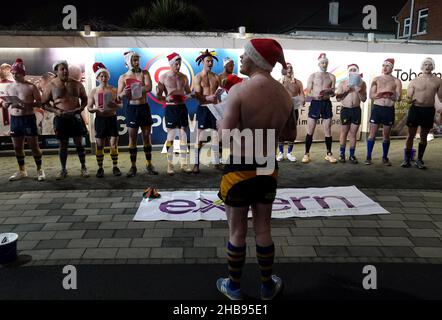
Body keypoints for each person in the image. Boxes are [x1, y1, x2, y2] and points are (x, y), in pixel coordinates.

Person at [216, 38, 294, 300]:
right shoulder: (285, 95)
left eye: (245, 54)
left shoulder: (239, 91)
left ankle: (234, 287)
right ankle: (267, 286)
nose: (240, 58)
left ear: (256, 60)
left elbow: (224, 137)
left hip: (240, 167)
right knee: (263, 228)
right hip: (267, 165)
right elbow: (290, 133)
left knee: (237, 230)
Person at [41, 60, 89, 179]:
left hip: (75, 117)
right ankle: (63, 170)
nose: (65, 71)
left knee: (79, 143)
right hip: (61, 118)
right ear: (56, 71)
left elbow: (85, 99)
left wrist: (80, 108)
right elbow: (44, 104)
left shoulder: (77, 84)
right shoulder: (51, 86)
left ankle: (83, 167)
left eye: (66, 68)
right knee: (63, 145)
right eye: (62, 69)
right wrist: (56, 111)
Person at [2, 58, 45, 181]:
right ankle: (22, 171)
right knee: (17, 147)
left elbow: (40, 103)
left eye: (17, 73)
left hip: (28, 118)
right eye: (13, 73)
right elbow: (5, 104)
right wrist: (7, 104)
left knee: (34, 146)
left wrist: (26, 105)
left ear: (23, 73)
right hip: (15, 120)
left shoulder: (31, 87)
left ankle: (39, 170)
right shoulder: (9, 87)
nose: (15, 75)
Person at [117, 51, 158, 177]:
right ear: (128, 62)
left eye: (137, 60)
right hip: (132, 108)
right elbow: (119, 96)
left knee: (146, 136)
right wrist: (124, 92)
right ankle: (133, 166)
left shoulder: (144, 73)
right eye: (134, 60)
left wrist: (134, 88)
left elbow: (149, 87)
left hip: (143, 107)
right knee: (132, 137)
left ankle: (149, 164)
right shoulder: (123, 77)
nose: (136, 62)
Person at [401, 57, 442, 169]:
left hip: (428, 110)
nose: (427, 66)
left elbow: (441, 98)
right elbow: (409, 97)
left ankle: (419, 160)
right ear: (422, 66)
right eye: (425, 64)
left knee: (423, 137)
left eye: (429, 64)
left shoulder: (438, 81)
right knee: (410, 136)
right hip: (416, 109)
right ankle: (407, 159)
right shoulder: (414, 81)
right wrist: (408, 99)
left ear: (433, 67)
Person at [157, 52, 193, 175]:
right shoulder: (163, 77)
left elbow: (189, 93)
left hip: (182, 107)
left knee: (183, 136)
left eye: (179, 64)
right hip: (171, 108)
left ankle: (184, 164)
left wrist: (188, 96)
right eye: (176, 64)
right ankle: (170, 165)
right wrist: (166, 99)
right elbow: (159, 95)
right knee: (171, 136)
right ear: (171, 64)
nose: (178, 66)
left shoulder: (184, 77)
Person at [87, 62, 122, 177]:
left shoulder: (113, 89)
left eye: (105, 75)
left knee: (113, 145)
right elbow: (89, 108)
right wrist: (96, 109)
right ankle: (100, 168)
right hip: (100, 120)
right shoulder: (94, 91)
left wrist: (114, 105)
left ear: (108, 77)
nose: (103, 78)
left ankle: (115, 167)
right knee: (100, 145)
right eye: (101, 76)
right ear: (97, 78)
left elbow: (121, 105)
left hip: (112, 118)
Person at [366, 58, 402, 166]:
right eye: (383, 65)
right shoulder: (376, 79)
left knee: (386, 135)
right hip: (377, 108)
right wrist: (379, 95)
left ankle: (385, 157)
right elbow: (371, 95)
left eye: (387, 66)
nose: (385, 68)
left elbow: (399, 98)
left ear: (392, 67)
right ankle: (368, 157)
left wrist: (392, 95)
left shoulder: (396, 81)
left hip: (388, 109)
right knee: (372, 134)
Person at [303, 53, 337, 164]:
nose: (324, 64)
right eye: (322, 62)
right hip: (316, 103)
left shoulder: (332, 77)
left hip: (326, 103)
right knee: (310, 130)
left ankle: (329, 154)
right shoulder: (313, 76)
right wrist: (314, 96)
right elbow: (308, 92)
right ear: (319, 63)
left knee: (328, 130)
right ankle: (306, 154)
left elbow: (333, 93)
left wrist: (330, 92)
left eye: (326, 63)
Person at [193, 49, 221, 173]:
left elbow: (219, 95)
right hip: (203, 108)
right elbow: (197, 94)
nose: (210, 63)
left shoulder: (216, 77)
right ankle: (196, 164)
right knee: (200, 137)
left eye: (211, 61)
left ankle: (216, 162)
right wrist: (206, 98)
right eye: (208, 61)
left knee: (216, 136)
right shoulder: (198, 77)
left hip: (214, 109)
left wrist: (220, 107)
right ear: (203, 62)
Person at [335, 64, 367, 164]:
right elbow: (338, 98)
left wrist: (359, 91)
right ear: (348, 72)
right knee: (344, 132)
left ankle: (352, 155)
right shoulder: (343, 83)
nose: (353, 71)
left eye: (355, 70)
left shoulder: (362, 83)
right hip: (346, 110)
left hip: (356, 110)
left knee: (353, 134)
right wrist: (346, 91)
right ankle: (342, 154)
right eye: (351, 70)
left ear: (357, 71)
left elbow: (364, 99)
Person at [277, 62, 304, 162]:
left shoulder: (298, 82)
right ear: (284, 70)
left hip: (294, 110)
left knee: (292, 131)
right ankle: (280, 152)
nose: (289, 70)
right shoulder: (279, 82)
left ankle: (289, 152)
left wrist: (302, 99)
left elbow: (302, 94)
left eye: (291, 68)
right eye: (287, 68)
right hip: (282, 110)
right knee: (281, 131)